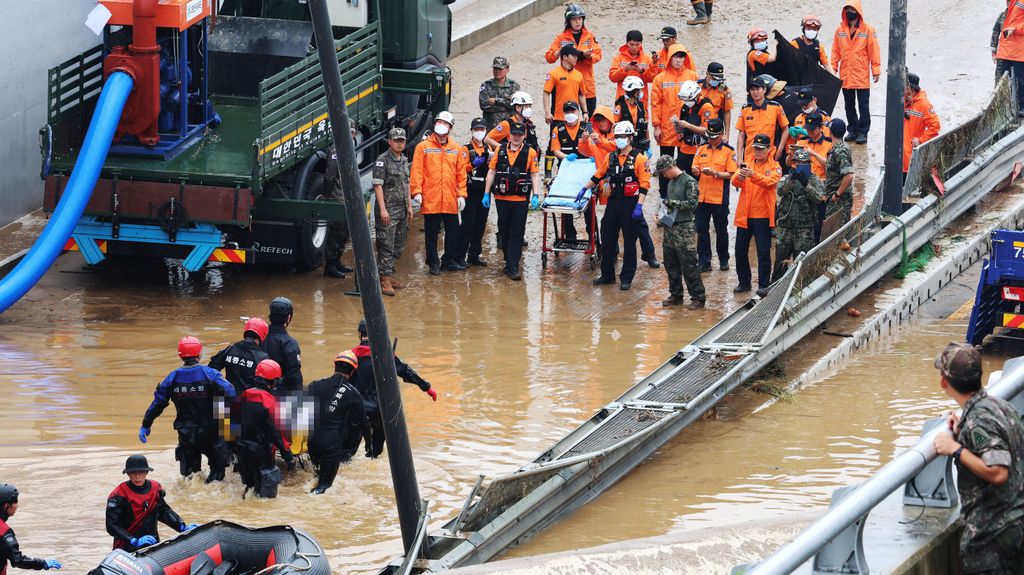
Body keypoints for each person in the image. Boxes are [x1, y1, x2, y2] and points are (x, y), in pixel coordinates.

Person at [931, 342, 1024, 573]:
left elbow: (998, 472)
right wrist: (963, 433)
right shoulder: (999, 405)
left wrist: (955, 448)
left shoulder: (979, 420)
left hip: (993, 537)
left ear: (944, 382)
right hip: (1013, 525)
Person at [139, 337, 235, 482]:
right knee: (217, 472)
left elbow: (158, 403)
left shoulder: (172, 377)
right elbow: (231, 393)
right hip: (211, 432)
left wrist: (146, 424)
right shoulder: (210, 374)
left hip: (186, 434)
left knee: (191, 477)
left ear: (180, 355)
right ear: (199, 353)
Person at [350, 320, 437, 459]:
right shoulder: (385, 355)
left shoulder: (351, 354)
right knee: (375, 452)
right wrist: (427, 387)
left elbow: (341, 380)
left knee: (348, 452)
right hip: (379, 410)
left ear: (359, 334)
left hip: (356, 409)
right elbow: (405, 371)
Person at [580, 121, 651, 291]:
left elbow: (645, 184)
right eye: (617, 137)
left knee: (629, 242)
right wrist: (584, 188)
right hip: (613, 203)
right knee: (607, 236)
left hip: (631, 204)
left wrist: (639, 206)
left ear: (630, 137)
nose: (620, 140)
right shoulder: (610, 157)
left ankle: (626, 277)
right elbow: (599, 174)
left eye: (623, 137)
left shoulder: (640, 159)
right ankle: (607, 275)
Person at [410, 110, 469, 275]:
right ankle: (433, 262)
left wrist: (461, 195)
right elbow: (417, 171)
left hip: (450, 198)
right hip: (431, 198)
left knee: (453, 231)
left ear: (450, 128)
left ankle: (448, 260)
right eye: (440, 123)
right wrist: (417, 192)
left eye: (446, 124)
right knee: (431, 233)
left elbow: (461, 175)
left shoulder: (456, 149)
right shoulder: (423, 147)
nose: (442, 127)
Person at [484, 121, 543, 281]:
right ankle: (508, 261)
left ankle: (513, 265)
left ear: (524, 136)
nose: (516, 137)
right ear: (509, 135)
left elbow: (535, 174)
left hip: (520, 200)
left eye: (519, 134)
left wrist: (536, 195)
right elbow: (491, 172)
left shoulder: (530, 152)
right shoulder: (500, 149)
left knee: (517, 232)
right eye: (514, 134)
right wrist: (486, 193)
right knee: (504, 231)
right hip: (501, 199)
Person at [306, 351, 370, 494]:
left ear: (334, 365)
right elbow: (363, 422)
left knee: (316, 476)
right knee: (324, 487)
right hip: (332, 445)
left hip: (313, 442)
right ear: (353, 371)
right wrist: (369, 444)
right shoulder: (353, 393)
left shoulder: (315, 385)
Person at [615, 77, 659, 268]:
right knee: (620, 220)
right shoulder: (619, 107)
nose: (641, 92)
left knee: (637, 218)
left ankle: (648, 253)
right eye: (639, 90)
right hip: (624, 153)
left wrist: (648, 145)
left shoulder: (640, 106)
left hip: (638, 152)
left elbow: (645, 126)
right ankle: (617, 251)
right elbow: (615, 131)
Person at [106, 455, 195, 551]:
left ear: (147, 472)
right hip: (126, 548)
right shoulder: (118, 495)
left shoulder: (155, 488)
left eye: (141, 472)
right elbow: (112, 526)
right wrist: (133, 540)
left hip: (152, 543)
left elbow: (163, 511)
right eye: (133, 473)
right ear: (128, 474)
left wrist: (181, 526)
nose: (137, 476)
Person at [234, 359, 295, 498]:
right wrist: (288, 455)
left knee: (250, 486)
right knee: (266, 494)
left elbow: (231, 421)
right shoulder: (270, 402)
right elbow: (277, 432)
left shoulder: (244, 395)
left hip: (242, 450)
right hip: (262, 453)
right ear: (273, 381)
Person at [732, 133, 782, 297]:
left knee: (763, 252)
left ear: (769, 149)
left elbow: (770, 183)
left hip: (762, 216)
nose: (758, 152)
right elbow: (735, 181)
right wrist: (740, 176)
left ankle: (763, 285)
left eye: (761, 149)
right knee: (740, 250)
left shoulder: (775, 166)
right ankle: (744, 282)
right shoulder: (746, 164)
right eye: (755, 149)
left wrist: (753, 175)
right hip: (744, 215)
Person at [654, 155, 705, 309]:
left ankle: (698, 297)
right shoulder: (670, 183)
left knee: (689, 264)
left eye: (664, 172)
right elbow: (670, 207)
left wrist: (671, 203)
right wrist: (662, 216)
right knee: (670, 263)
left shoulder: (689, 181)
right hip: (670, 228)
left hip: (685, 227)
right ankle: (676, 294)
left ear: (670, 167)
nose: (663, 175)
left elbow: (692, 204)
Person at [651, 43, 699, 196]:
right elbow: (655, 104)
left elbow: (699, 102)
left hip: (687, 129)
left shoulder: (693, 76)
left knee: (686, 164)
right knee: (665, 164)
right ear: (669, 58)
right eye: (675, 57)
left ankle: (686, 196)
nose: (678, 60)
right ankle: (663, 196)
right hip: (666, 129)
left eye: (681, 56)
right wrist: (656, 126)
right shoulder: (660, 78)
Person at [771, 147, 825, 281]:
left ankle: (802, 290)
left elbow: (820, 198)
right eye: (798, 163)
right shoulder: (786, 178)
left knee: (803, 264)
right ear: (793, 163)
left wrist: (806, 184)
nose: (802, 166)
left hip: (805, 229)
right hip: (786, 228)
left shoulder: (815, 181)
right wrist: (791, 180)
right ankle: (774, 289)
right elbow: (780, 191)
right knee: (780, 262)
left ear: (809, 164)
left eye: (805, 163)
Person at [832, 1, 881, 145]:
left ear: (858, 11)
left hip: (861, 74)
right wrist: (833, 66)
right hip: (846, 74)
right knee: (849, 105)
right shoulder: (840, 29)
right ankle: (852, 129)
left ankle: (863, 132)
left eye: (852, 9)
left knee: (863, 105)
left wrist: (876, 70)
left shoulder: (868, 30)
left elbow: (874, 50)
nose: (849, 11)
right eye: (847, 9)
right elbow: (835, 50)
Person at [691, 118, 737, 273]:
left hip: (719, 198)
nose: (711, 139)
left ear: (722, 134)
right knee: (701, 229)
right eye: (709, 136)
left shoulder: (729, 151)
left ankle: (723, 259)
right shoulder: (701, 148)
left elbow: (732, 174)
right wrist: (696, 171)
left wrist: (716, 173)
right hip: (702, 197)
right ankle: (704, 260)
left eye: (714, 136)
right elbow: (694, 167)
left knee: (721, 230)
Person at [372, 128, 413, 294]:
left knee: (399, 244)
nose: (399, 143)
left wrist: (410, 206)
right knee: (386, 244)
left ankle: (388, 272)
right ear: (389, 141)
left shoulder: (403, 160)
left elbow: (407, 184)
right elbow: (377, 186)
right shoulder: (382, 160)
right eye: (396, 140)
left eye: (402, 140)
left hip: (402, 209)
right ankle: (385, 279)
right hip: (388, 211)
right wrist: (383, 210)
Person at [545, 3, 602, 115]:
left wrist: (589, 56)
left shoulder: (590, 36)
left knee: (589, 119)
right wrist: (560, 51)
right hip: (566, 85)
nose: (578, 22)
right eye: (574, 19)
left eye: (580, 18)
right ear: (568, 21)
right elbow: (549, 57)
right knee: (562, 119)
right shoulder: (561, 37)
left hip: (586, 84)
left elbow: (598, 55)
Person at [542, 45, 588, 180]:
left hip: (574, 116)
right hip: (557, 116)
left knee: (575, 142)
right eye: (573, 55)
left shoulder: (578, 74)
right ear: (564, 57)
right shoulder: (554, 74)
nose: (576, 58)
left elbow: (581, 94)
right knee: (553, 144)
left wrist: (585, 111)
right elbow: (546, 93)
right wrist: (546, 112)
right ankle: (548, 173)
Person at [322, 122, 360, 278]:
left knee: (344, 232)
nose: (351, 135)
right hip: (337, 197)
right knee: (336, 232)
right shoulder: (335, 151)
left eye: (352, 132)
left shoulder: (349, 149)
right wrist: (329, 195)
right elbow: (329, 177)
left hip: (347, 198)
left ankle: (337, 261)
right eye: (348, 132)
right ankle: (330, 265)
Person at [0, 485, 61, 572]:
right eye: (15, 501)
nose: (17, 505)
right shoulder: (4, 531)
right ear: (6, 506)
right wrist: (42, 563)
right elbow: (18, 560)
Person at [552, 101, 587, 241]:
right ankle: (570, 234)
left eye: (573, 111)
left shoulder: (586, 128)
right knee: (565, 201)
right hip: (566, 169)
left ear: (578, 112)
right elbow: (555, 150)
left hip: (584, 169)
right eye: (567, 112)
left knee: (587, 201)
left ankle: (592, 233)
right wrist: (567, 157)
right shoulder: (558, 130)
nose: (570, 114)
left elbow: (595, 146)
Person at [795, 113, 833, 243]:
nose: (809, 131)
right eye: (808, 128)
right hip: (802, 189)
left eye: (812, 129)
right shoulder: (802, 141)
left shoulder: (829, 144)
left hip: (819, 189)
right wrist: (790, 155)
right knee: (801, 225)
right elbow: (791, 164)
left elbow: (831, 166)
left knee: (818, 225)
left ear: (821, 128)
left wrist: (814, 154)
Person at [736, 76, 789, 166]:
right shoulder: (745, 109)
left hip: (770, 156)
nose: (755, 92)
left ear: (764, 90)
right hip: (749, 158)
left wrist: (780, 149)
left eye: (758, 88)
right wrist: (739, 157)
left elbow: (785, 129)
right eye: (752, 89)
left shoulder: (775, 107)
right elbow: (741, 134)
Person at [209, 317, 270, 395]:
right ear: (263, 335)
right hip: (249, 400)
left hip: (228, 396)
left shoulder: (230, 349)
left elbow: (211, 369)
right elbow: (265, 385)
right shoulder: (262, 357)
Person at [459, 118, 491, 267]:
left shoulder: (488, 148)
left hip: (484, 192)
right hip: (470, 191)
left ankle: (474, 254)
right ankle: (460, 255)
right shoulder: (466, 149)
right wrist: (472, 165)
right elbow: (459, 170)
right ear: (471, 131)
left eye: (482, 129)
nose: (479, 132)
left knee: (480, 225)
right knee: (467, 224)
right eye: (477, 129)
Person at [673, 80, 716, 175]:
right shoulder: (684, 106)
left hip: (698, 150)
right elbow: (680, 130)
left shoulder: (706, 107)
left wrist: (688, 125)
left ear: (696, 96)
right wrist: (677, 125)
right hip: (684, 148)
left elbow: (708, 131)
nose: (686, 102)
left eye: (688, 100)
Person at [902, 72, 941, 177]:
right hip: (897, 157)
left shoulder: (923, 104)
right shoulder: (902, 101)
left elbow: (935, 126)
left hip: (910, 158)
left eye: (903, 87)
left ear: (911, 89)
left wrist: (921, 140)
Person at [263, 297, 303, 393]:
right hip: (279, 393)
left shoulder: (259, 336)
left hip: (257, 389)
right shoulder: (290, 343)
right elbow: (294, 376)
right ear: (289, 317)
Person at [823, 118, 856, 227]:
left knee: (835, 233)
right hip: (833, 197)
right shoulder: (836, 149)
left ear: (830, 132)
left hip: (839, 200)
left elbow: (849, 175)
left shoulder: (840, 151)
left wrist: (837, 194)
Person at [485, 91, 540, 155]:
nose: (529, 109)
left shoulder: (529, 123)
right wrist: (504, 148)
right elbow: (487, 139)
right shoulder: (507, 124)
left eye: (529, 106)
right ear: (517, 107)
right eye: (526, 106)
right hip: (512, 160)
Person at [608, 30, 657, 102]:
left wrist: (641, 71)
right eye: (631, 44)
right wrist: (625, 69)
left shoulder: (647, 58)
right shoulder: (618, 58)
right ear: (627, 43)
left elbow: (652, 79)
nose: (634, 47)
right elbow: (612, 77)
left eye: (637, 44)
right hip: (623, 100)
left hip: (641, 99)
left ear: (641, 44)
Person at [996, 0, 1024, 114]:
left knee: (1021, 81)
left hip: (1019, 51)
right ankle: (1004, 109)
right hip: (1006, 49)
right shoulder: (1011, 3)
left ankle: (1022, 107)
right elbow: (997, 29)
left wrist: (1016, 29)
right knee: (1003, 81)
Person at [479, 56, 522, 130]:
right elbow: (484, 105)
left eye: (500, 69)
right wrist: (505, 104)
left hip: (510, 126)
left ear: (507, 69)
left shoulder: (514, 85)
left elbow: (515, 105)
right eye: (495, 68)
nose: (497, 71)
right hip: (491, 128)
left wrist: (496, 101)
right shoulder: (486, 85)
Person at [700, 62, 733, 143]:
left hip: (716, 129)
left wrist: (726, 134)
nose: (716, 81)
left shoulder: (725, 90)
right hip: (699, 128)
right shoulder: (697, 86)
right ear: (707, 74)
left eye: (719, 79)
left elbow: (727, 112)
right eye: (714, 78)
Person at [992, 10, 1009, 85]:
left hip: (1018, 56)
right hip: (1003, 54)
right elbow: (995, 31)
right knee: (999, 80)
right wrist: (993, 52)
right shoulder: (1003, 15)